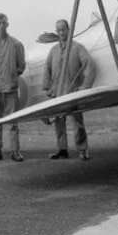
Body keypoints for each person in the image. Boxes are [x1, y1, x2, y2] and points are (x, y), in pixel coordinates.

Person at [42, 19, 96, 160]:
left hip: (72, 92)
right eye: (58, 30)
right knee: (59, 123)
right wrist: (47, 87)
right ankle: (62, 149)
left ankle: (83, 149)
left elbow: (89, 64)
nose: (61, 32)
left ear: (69, 29)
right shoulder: (53, 50)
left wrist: (85, 87)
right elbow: (47, 68)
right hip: (57, 92)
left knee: (77, 122)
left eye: (63, 29)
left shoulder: (78, 47)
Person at [0, 13, 26, 162]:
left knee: (13, 122)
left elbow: (21, 66)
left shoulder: (16, 44)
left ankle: (15, 151)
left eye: (4, 23)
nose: (1, 25)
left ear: (7, 24)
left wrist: (11, 76)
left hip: (10, 88)